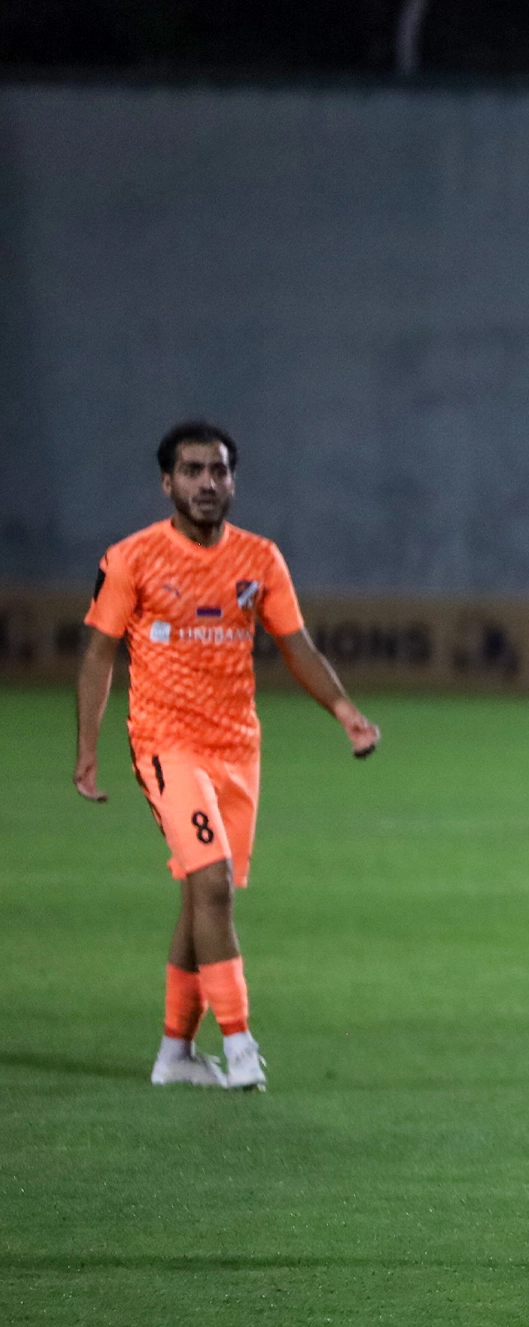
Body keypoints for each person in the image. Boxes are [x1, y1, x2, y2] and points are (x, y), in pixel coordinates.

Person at [72, 421, 380, 1092]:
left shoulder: (260, 559)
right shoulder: (132, 558)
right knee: (211, 885)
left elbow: (297, 645)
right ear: (167, 483)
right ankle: (240, 1046)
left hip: (238, 748)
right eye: (192, 471)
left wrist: (344, 710)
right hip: (165, 743)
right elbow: (99, 653)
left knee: (202, 895)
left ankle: (175, 1054)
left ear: (233, 480)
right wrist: (88, 749)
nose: (207, 483)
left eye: (218, 470)